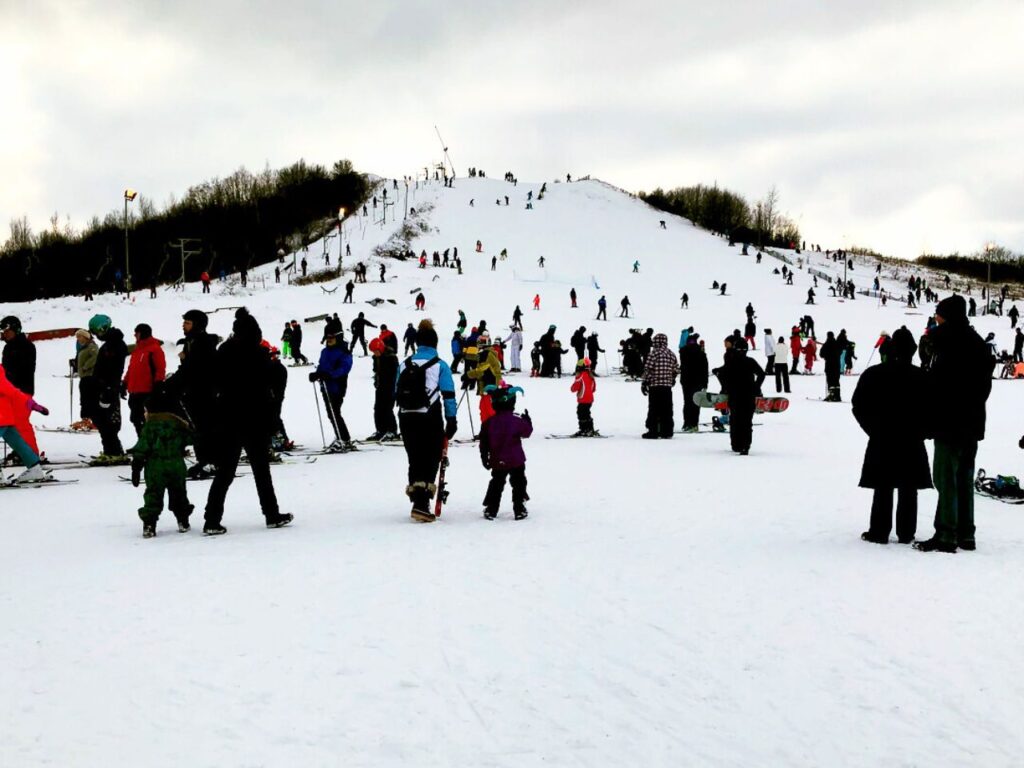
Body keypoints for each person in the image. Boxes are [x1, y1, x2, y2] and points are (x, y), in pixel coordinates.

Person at [203, 308, 293, 535]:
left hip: (230, 418)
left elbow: (214, 383)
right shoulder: (258, 354)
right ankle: (271, 514)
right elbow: (269, 388)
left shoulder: (225, 352)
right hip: (252, 419)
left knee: (226, 472)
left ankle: (212, 519)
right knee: (260, 470)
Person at [916, 295, 994, 553]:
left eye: (938, 312)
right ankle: (966, 533)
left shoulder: (941, 338)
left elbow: (930, 376)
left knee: (945, 478)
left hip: (948, 421)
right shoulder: (978, 342)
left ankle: (947, 534)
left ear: (945, 315)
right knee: (964, 477)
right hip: (971, 422)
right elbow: (984, 388)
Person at [852, 328, 931, 545]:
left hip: (882, 437)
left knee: (883, 485)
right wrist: (923, 432)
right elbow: (933, 409)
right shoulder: (922, 377)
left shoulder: (873, 374)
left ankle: (879, 531)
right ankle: (906, 532)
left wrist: (873, 429)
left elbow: (858, 405)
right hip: (912, 439)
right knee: (909, 487)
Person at [396, 320, 458, 522]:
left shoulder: (404, 364)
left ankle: (417, 499)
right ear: (435, 344)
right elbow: (448, 394)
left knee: (414, 457)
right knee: (431, 456)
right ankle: (423, 502)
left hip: (405, 416)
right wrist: (451, 420)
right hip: (429, 416)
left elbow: (394, 391)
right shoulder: (440, 365)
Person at [128, 387, 194, 538]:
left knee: (153, 495)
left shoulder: (150, 427)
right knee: (179, 494)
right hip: (177, 466)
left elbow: (142, 447)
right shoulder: (179, 425)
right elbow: (192, 438)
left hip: (155, 467)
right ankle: (183, 520)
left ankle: (149, 524)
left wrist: (136, 466)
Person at [166, 310, 220, 479]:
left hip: (204, 392)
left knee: (205, 427)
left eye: (188, 322)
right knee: (197, 428)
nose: (184, 325)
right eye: (184, 322)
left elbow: (192, 368)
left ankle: (212, 461)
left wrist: (172, 383)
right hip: (193, 391)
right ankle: (204, 460)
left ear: (197, 324)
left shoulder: (202, 343)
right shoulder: (191, 341)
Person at [478, 384, 533, 520]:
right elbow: (527, 432)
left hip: (498, 460)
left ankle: (491, 508)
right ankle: (519, 507)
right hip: (516, 459)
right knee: (519, 482)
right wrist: (527, 420)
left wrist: (484, 457)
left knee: (496, 483)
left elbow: (483, 442)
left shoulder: (489, 423)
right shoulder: (516, 421)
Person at [0, 364, 51, 484]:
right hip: (5, 417)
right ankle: (34, 468)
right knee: (18, 442)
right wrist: (29, 402)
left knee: (18, 442)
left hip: (1, 416)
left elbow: (10, 390)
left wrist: (29, 402)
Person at [88, 314, 129, 462]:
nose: (96, 336)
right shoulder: (108, 344)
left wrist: (108, 389)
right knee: (101, 420)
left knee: (108, 422)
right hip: (103, 387)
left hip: (109, 389)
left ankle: (115, 451)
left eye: (95, 332)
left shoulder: (115, 345)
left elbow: (114, 369)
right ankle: (111, 450)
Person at [715, 338, 765, 455]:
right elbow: (762, 374)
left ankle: (736, 444)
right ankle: (745, 446)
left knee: (735, 420)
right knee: (747, 421)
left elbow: (723, 375)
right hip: (749, 395)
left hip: (734, 395)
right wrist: (756, 387)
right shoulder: (750, 361)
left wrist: (725, 388)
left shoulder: (731, 361)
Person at [310, 331, 354, 451]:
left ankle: (344, 438)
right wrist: (316, 374)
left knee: (334, 412)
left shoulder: (344, 352)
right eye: (327, 337)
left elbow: (345, 368)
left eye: (331, 337)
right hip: (325, 386)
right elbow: (321, 365)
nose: (329, 340)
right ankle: (341, 437)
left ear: (338, 338)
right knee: (331, 413)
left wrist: (330, 375)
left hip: (337, 386)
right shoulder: (324, 351)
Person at [123, 323, 167, 437]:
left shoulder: (154, 349)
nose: (134, 335)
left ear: (142, 333)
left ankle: (150, 448)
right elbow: (131, 369)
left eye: (136, 333)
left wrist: (158, 384)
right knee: (136, 420)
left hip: (147, 391)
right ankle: (142, 444)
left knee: (147, 421)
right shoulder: (137, 350)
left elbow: (160, 369)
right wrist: (124, 383)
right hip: (134, 391)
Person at [641, 333, 678, 439]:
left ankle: (653, 431)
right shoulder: (671, 353)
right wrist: (672, 378)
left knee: (654, 408)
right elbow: (676, 369)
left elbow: (648, 369)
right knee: (667, 409)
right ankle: (667, 431)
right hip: (667, 386)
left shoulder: (654, 353)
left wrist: (644, 382)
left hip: (655, 385)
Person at [368, 337, 399, 441]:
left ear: (380, 348)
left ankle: (392, 431)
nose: (375, 353)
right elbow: (377, 371)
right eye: (373, 352)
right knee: (378, 409)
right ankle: (381, 430)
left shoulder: (391, 357)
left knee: (387, 409)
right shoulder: (377, 358)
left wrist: (393, 389)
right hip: (381, 387)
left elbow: (394, 375)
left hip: (390, 387)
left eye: (376, 351)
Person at [466, 333, 503, 423]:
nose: (478, 344)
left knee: (489, 410)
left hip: (490, 387)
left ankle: (494, 430)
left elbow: (480, 370)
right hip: (488, 386)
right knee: (483, 409)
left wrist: (468, 375)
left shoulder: (486, 354)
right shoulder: (487, 353)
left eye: (480, 342)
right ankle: (485, 430)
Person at [678, 333, 708, 433]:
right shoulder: (701, 352)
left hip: (686, 380)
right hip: (698, 381)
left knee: (687, 402)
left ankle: (686, 423)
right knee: (696, 403)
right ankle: (694, 424)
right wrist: (705, 383)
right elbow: (705, 368)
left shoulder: (683, 351)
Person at [1, 316, 36, 395]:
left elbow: (24, 372)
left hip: (22, 394)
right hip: (8, 393)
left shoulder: (27, 346)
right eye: (4, 332)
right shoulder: (8, 347)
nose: (5, 334)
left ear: (16, 330)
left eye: (7, 331)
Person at [73, 329, 99, 429]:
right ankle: (86, 419)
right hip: (84, 376)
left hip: (90, 376)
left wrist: (85, 366)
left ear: (85, 337)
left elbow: (96, 357)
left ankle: (93, 420)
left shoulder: (92, 346)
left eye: (79, 336)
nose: (78, 339)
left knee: (90, 398)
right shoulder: (83, 348)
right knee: (84, 399)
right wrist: (75, 364)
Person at [570, 358, 597, 436]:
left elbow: (574, 388)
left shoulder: (580, 376)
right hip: (590, 400)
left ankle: (584, 429)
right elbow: (594, 389)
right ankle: (590, 429)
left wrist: (574, 384)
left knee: (581, 414)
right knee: (587, 413)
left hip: (583, 399)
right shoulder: (591, 376)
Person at [820, 331, 843, 401]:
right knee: (836, 381)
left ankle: (831, 395)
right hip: (837, 366)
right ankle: (838, 396)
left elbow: (821, 354)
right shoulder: (837, 344)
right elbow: (840, 351)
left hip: (829, 366)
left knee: (830, 381)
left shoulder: (826, 344)